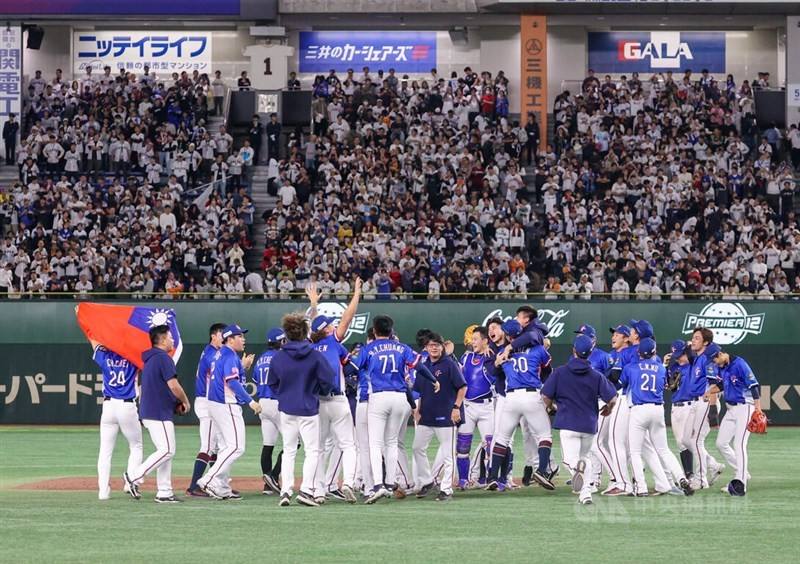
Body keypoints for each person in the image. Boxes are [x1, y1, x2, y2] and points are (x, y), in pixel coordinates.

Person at [356, 315, 439, 504]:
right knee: (392, 442)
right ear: (391, 331)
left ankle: (378, 485)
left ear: (375, 331)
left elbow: (353, 368)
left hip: (379, 397)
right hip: (401, 397)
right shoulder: (402, 348)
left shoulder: (368, 349)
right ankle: (389, 481)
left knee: (376, 443)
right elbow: (419, 366)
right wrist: (433, 379)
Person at [267, 312, 336, 507]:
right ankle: (306, 489)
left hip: (287, 409)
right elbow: (328, 380)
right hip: (308, 408)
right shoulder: (314, 355)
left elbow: (272, 383)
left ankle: (286, 491)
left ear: (286, 334)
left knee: (289, 451)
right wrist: (318, 391)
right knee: (312, 451)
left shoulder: (279, 357)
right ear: (306, 332)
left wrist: (284, 394)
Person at [541, 334, 617, 505]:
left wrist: (551, 407)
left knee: (571, 461)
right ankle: (585, 494)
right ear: (590, 353)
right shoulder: (596, 375)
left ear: (573, 350)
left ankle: (582, 473)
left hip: (568, 423)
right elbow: (612, 398)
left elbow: (545, 395)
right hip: (589, 425)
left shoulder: (560, 372)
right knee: (584, 457)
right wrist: (608, 408)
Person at [307, 278, 363, 504]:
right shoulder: (333, 342)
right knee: (348, 445)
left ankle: (319, 492)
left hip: (317, 403)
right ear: (327, 330)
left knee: (318, 449)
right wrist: (357, 293)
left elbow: (313, 327)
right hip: (338, 401)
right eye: (330, 324)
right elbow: (348, 317)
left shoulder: (309, 346)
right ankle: (348, 482)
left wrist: (313, 305)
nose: (333, 325)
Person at [124, 325, 190, 503]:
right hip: (157, 412)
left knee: (164, 451)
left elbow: (160, 388)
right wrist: (184, 401)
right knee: (167, 450)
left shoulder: (150, 359)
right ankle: (134, 477)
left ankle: (164, 491)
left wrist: (175, 403)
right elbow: (174, 386)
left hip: (153, 410)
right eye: (170, 337)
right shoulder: (163, 358)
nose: (173, 340)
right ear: (161, 340)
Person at [619, 338, 693, 497]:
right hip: (658, 410)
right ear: (654, 351)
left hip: (639, 410)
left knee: (635, 452)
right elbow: (669, 385)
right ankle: (681, 478)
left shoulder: (630, 367)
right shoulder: (661, 368)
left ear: (638, 352)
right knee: (664, 450)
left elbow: (621, 385)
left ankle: (641, 488)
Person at [487, 319, 554, 491]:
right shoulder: (539, 349)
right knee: (544, 435)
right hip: (532, 395)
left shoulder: (503, 351)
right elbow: (548, 370)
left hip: (511, 398)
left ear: (508, 336)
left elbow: (494, 374)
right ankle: (542, 471)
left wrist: (497, 362)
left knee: (502, 438)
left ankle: (493, 477)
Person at [197, 324, 261, 500]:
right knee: (236, 447)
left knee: (226, 447)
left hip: (214, 403)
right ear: (230, 339)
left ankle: (222, 487)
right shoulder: (230, 356)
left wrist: (242, 366)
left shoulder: (220, 354)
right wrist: (251, 402)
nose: (243, 339)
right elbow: (232, 382)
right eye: (240, 336)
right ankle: (209, 480)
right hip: (225, 404)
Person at [86, 333, 142, 501]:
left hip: (108, 406)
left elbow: (94, 342)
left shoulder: (106, 356)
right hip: (127, 406)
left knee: (105, 451)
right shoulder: (134, 358)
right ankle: (130, 482)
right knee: (136, 445)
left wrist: (86, 322)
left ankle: (103, 491)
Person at [412, 333, 467, 502]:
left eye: (437, 345)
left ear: (442, 347)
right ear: (426, 348)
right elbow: (418, 390)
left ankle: (446, 489)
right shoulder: (423, 366)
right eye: (430, 345)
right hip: (427, 415)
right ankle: (428, 480)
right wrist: (416, 410)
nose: (434, 348)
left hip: (446, 414)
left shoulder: (449, 364)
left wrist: (456, 407)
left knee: (448, 454)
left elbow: (462, 387)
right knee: (417, 448)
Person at [706, 343, 763, 496]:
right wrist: (709, 392)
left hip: (745, 407)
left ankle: (740, 484)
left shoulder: (740, 364)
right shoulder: (722, 367)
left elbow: (754, 386)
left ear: (719, 354)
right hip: (731, 409)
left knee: (739, 444)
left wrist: (757, 409)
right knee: (721, 443)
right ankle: (742, 472)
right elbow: (722, 385)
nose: (714, 363)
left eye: (714, 360)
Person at [186, 323, 225, 497]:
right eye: (223, 334)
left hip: (208, 401)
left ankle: (215, 484)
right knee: (208, 446)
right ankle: (194, 486)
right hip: (206, 402)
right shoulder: (211, 353)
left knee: (214, 448)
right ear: (214, 336)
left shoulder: (210, 352)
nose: (225, 338)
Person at [456, 325, 496, 489]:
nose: (473, 342)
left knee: (490, 444)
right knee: (463, 446)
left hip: (487, 407)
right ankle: (464, 480)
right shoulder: (465, 358)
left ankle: (489, 479)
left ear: (485, 341)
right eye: (472, 339)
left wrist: (493, 355)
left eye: (476, 339)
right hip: (467, 406)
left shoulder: (492, 357)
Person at [254, 328, 286, 495]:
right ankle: (273, 476)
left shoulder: (261, 359)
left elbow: (255, 379)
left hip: (262, 403)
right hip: (276, 402)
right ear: (281, 341)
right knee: (293, 443)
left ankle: (267, 484)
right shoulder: (280, 357)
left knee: (268, 445)